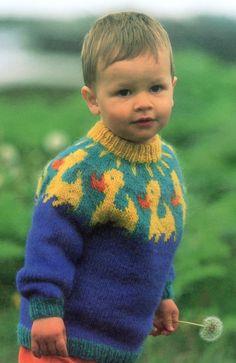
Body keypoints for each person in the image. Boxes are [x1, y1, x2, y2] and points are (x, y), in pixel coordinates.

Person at [16, 11, 187, 363]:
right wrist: (45, 311)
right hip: (61, 340)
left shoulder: (166, 165)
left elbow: (158, 239)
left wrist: (163, 295)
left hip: (117, 346)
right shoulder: (78, 171)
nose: (143, 102)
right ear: (93, 99)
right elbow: (48, 247)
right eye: (124, 91)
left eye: (156, 87)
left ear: (173, 86)